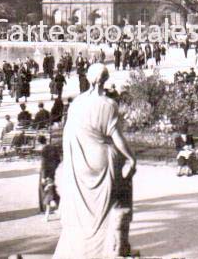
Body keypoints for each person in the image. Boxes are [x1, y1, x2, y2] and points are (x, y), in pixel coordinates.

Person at [54, 63, 136, 259]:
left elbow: (69, 135)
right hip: (102, 159)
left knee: (82, 210)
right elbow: (116, 137)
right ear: (105, 80)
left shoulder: (77, 103)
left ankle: (80, 249)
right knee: (107, 208)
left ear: (90, 79)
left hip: (80, 162)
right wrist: (131, 158)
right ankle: (108, 250)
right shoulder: (108, 105)